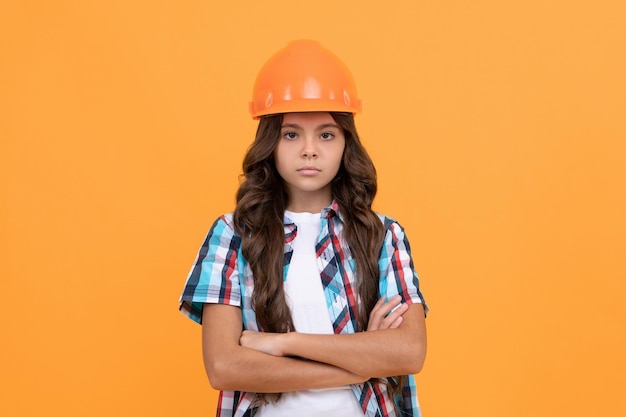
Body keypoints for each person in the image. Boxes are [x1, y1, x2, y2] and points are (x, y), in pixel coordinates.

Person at [179, 39, 428, 417]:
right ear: (270, 144)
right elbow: (224, 367)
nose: (309, 149)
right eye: (291, 134)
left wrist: (283, 344)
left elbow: (409, 352)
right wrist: (365, 359)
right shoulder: (232, 234)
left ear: (346, 143)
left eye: (326, 134)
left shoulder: (382, 235)